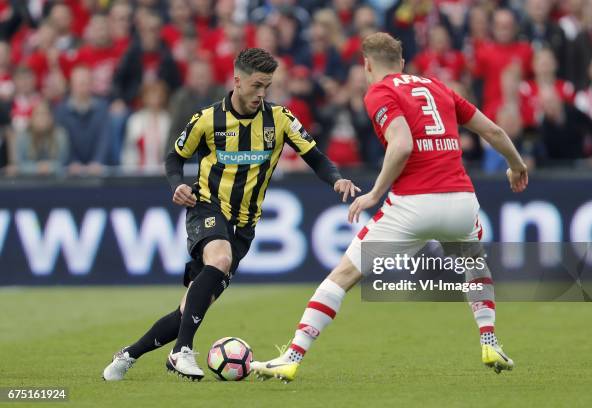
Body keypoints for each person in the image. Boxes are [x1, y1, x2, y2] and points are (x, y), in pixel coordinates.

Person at [251, 32, 529, 382]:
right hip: (461, 200)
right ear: (401, 62)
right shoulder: (436, 87)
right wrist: (517, 166)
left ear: (367, 65)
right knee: (475, 268)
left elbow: (401, 145)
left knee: (343, 276)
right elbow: (493, 132)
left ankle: (291, 356)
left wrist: (374, 194)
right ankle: (490, 340)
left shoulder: (380, 91)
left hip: (414, 203)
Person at [102, 48, 360, 381]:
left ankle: (127, 356)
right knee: (218, 260)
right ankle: (182, 352)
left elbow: (316, 157)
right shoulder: (208, 119)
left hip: (244, 226)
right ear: (237, 81)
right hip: (206, 206)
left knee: (190, 309)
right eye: (256, 85)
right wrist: (177, 185)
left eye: (267, 86)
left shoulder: (279, 119)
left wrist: (337, 179)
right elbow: (173, 159)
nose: (261, 94)